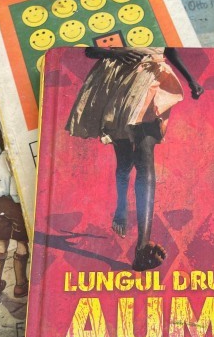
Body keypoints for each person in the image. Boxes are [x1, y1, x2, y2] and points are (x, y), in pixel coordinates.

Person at [66, 46, 204, 271]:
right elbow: (89, 49)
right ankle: (122, 204)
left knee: (145, 156)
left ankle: (142, 246)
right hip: (119, 78)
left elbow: (170, 47)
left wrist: (191, 79)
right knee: (124, 162)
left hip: (151, 76)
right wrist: (114, 53)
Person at [0, 117, 29, 298]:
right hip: (16, 206)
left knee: (1, 243)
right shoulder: (20, 161)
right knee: (21, 243)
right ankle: (20, 285)